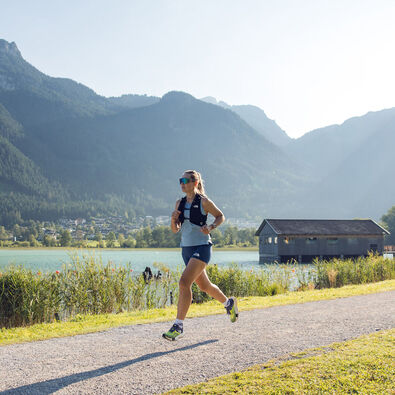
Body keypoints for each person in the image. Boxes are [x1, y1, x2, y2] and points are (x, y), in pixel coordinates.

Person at [162, 170, 238, 341]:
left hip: (202, 247)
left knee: (184, 282)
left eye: (186, 180)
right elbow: (175, 231)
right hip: (186, 249)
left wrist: (210, 227)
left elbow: (220, 216)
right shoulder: (179, 203)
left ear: (195, 183)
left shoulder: (204, 202)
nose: (182, 183)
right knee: (205, 286)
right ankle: (229, 303)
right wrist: (173, 220)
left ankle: (178, 325)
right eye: (180, 180)